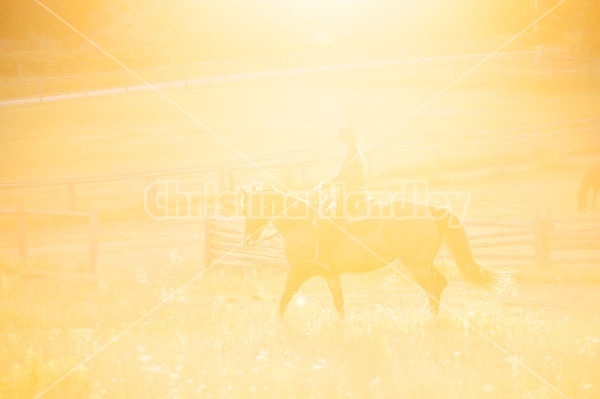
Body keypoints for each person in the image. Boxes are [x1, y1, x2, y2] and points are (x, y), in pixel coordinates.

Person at [314, 127, 367, 270]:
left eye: (340, 141)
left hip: (350, 194)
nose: (339, 144)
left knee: (324, 220)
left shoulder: (352, 155)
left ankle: (325, 258)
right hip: (352, 192)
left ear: (346, 140)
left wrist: (330, 186)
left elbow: (347, 179)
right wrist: (327, 183)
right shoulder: (353, 153)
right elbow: (343, 176)